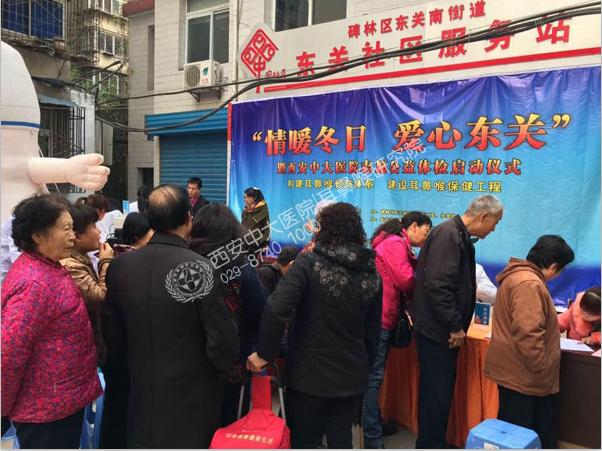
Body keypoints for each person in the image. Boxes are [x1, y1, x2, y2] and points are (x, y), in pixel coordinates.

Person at [102, 184, 239, 448]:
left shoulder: (121, 266)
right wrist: (218, 372)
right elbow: (221, 338)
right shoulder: (197, 267)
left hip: (137, 386)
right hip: (191, 392)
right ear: (188, 217)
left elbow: (113, 331)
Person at [247, 202, 382, 449]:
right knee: (341, 438)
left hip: (308, 375)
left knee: (303, 439)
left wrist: (265, 353)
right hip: (351, 375)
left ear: (324, 229)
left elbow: (276, 308)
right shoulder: (372, 274)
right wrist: (363, 367)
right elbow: (373, 332)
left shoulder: (309, 263)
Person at [1, 194, 102, 448]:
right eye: (65, 229)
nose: (72, 236)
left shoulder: (50, 266)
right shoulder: (33, 284)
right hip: (45, 410)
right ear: (37, 235)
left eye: (73, 229)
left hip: (61, 400)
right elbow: (9, 352)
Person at [412, 194, 503, 449]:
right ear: (484, 216)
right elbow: (438, 286)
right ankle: (430, 445)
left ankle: (434, 442)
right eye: (495, 222)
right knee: (436, 393)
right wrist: (454, 325)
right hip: (438, 330)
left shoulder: (458, 235)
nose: (494, 229)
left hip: (440, 328)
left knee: (439, 392)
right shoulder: (448, 235)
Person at [484, 235, 575, 449]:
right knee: (518, 435)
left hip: (521, 373)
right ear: (553, 267)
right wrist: (541, 368)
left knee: (533, 428)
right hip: (524, 375)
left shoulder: (520, 277)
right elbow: (528, 332)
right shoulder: (529, 283)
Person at [189, 203, 267, 426]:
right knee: (230, 424)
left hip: (190, 361)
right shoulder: (242, 265)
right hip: (232, 362)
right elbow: (259, 310)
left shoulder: (187, 262)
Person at [364, 212, 432, 449]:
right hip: (381, 317)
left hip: (381, 315)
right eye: (426, 232)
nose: (426, 238)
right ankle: (372, 437)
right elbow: (406, 281)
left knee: (374, 376)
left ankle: (373, 423)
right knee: (373, 378)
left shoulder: (393, 242)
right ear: (413, 226)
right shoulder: (395, 244)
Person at [60, 204, 114, 366]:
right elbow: (100, 299)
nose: (99, 232)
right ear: (77, 236)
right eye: (94, 226)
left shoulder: (81, 257)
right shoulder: (71, 266)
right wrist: (106, 262)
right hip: (83, 349)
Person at [241, 187, 270, 251]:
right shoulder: (245, 211)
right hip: (246, 243)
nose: (245, 200)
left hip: (258, 244)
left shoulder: (263, 210)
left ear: (255, 198)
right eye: (244, 197)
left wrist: (265, 244)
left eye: (248, 197)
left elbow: (266, 228)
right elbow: (243, 226)